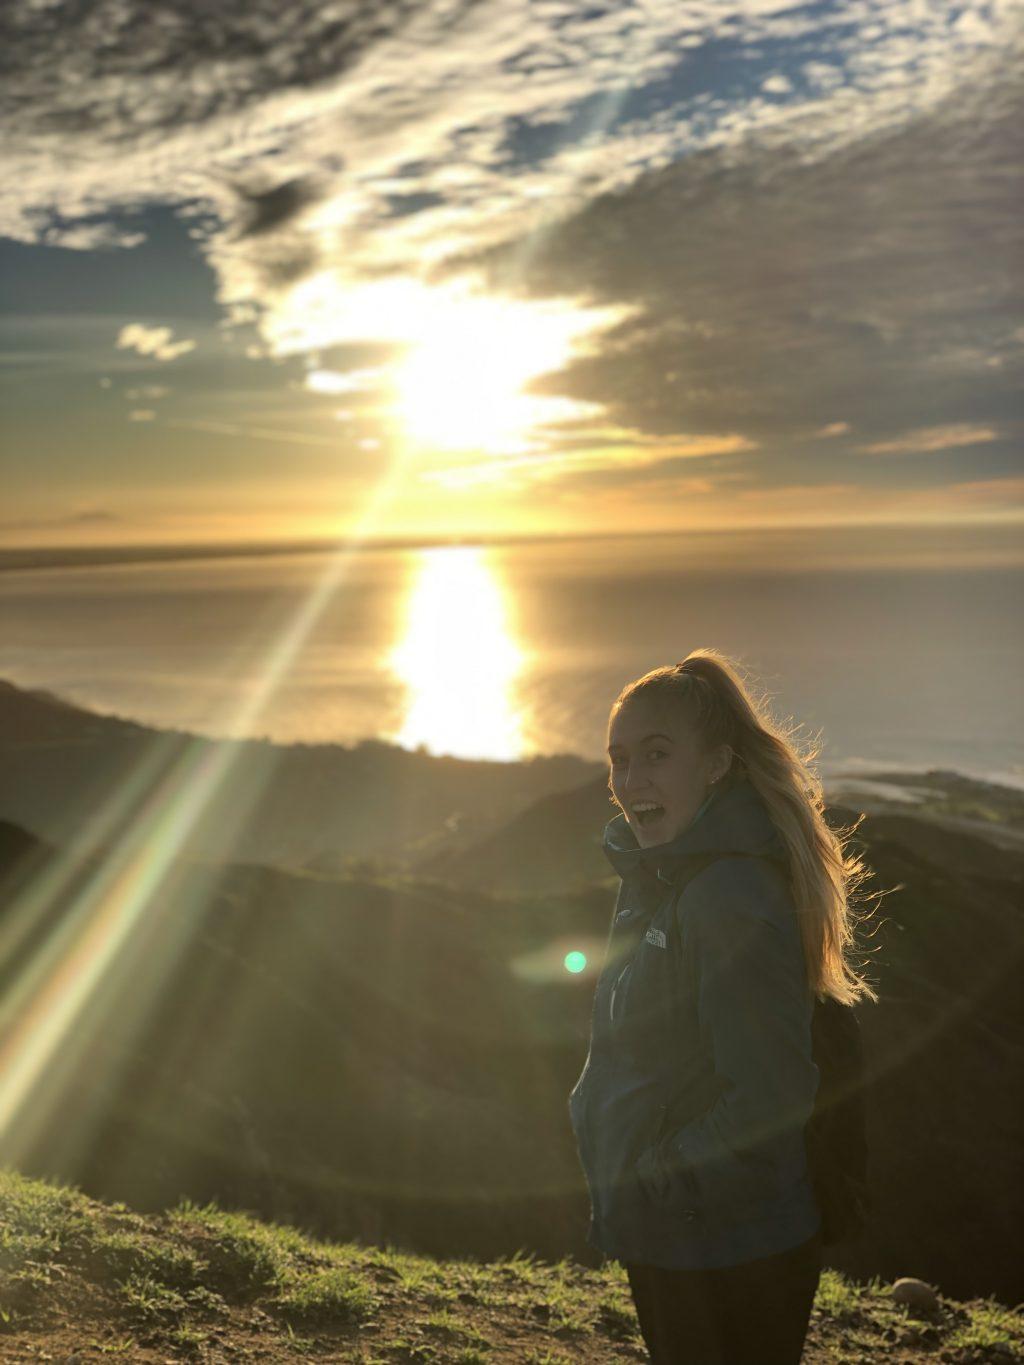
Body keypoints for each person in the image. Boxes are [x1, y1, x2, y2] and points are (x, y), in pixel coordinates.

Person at [567, 649, 878, 1364]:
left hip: (727, 1242)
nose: (630, 780)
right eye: (618, 758)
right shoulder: (666, 873)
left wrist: (658, 1167)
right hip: (685, 1229)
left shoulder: (725, 898)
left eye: (656, 754)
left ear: (714, 765)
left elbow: (772, 1092)